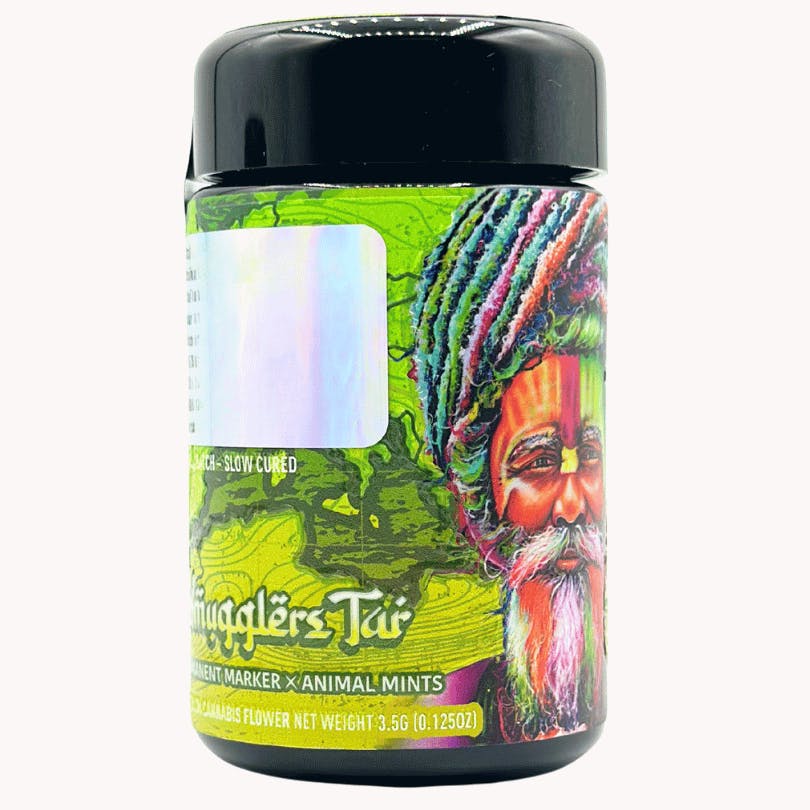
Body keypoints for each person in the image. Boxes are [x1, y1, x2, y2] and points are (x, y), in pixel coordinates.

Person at [411, 187, 608, 744]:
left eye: (590, 457)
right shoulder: (443, 714)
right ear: (479, 493)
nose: (573, 504)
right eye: (539, 462)